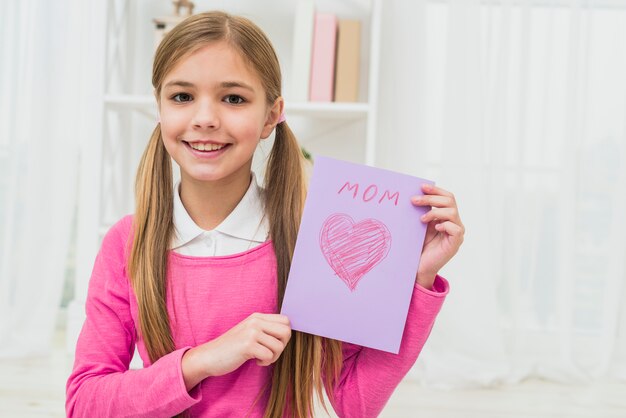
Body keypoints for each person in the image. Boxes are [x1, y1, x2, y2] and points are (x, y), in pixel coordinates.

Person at [66, 10, 464, 418]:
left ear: (271, 116)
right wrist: (203, 360)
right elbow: (85, 404)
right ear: (160, 107)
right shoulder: (127, 242)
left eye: (234, 98)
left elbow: (353, 403)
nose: (205, 119)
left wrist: (417, 280)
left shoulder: (308, 238)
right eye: (182, 97)